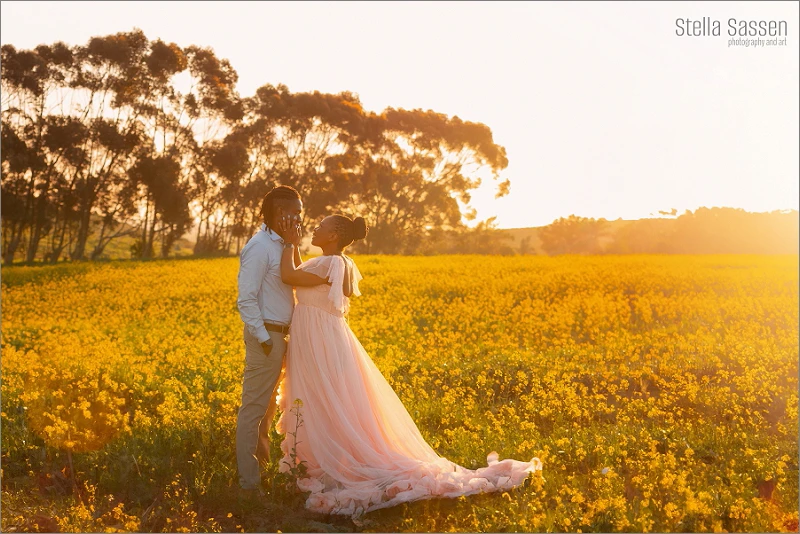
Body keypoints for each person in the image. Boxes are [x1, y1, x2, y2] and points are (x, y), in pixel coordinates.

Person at [273, 214, 543, 517]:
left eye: (320, 227)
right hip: (318, 336)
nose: (313, 229)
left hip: (320, 339)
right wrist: (293, 245)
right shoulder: (331, 262)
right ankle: (325, 459)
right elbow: (297, 271)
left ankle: (338, 461)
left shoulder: (332, 263)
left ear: (334, 235)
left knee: (327, 398)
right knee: (324, 398)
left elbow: (289, 276)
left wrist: (287, 242)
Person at [235, 185, 304, 496]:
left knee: (266, 412)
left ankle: (261, 471)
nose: (301, 218)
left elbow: (297, 276)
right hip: (268, 335)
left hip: (279, 335)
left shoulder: (281, 244)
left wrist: (294, 244)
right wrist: (264, 339)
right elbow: (246, 299)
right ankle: (249, 485)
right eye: (297, 213)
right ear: (280, 213)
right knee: (253, 409)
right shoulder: (260, 246)